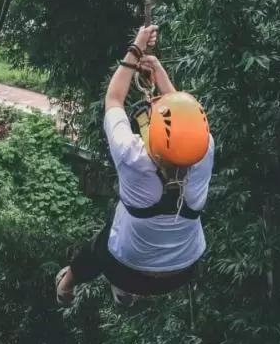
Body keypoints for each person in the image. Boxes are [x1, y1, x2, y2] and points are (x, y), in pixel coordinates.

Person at [54, 24, 216, 308]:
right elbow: (183, 116)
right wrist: (159, 73)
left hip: (124, 270)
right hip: (184, 270)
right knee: (134, 222)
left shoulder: (134, 157)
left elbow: (114, 99)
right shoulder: (204, 153)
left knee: (103, 238)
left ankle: (66, 285)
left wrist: (135, 48)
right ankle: (122, 290)